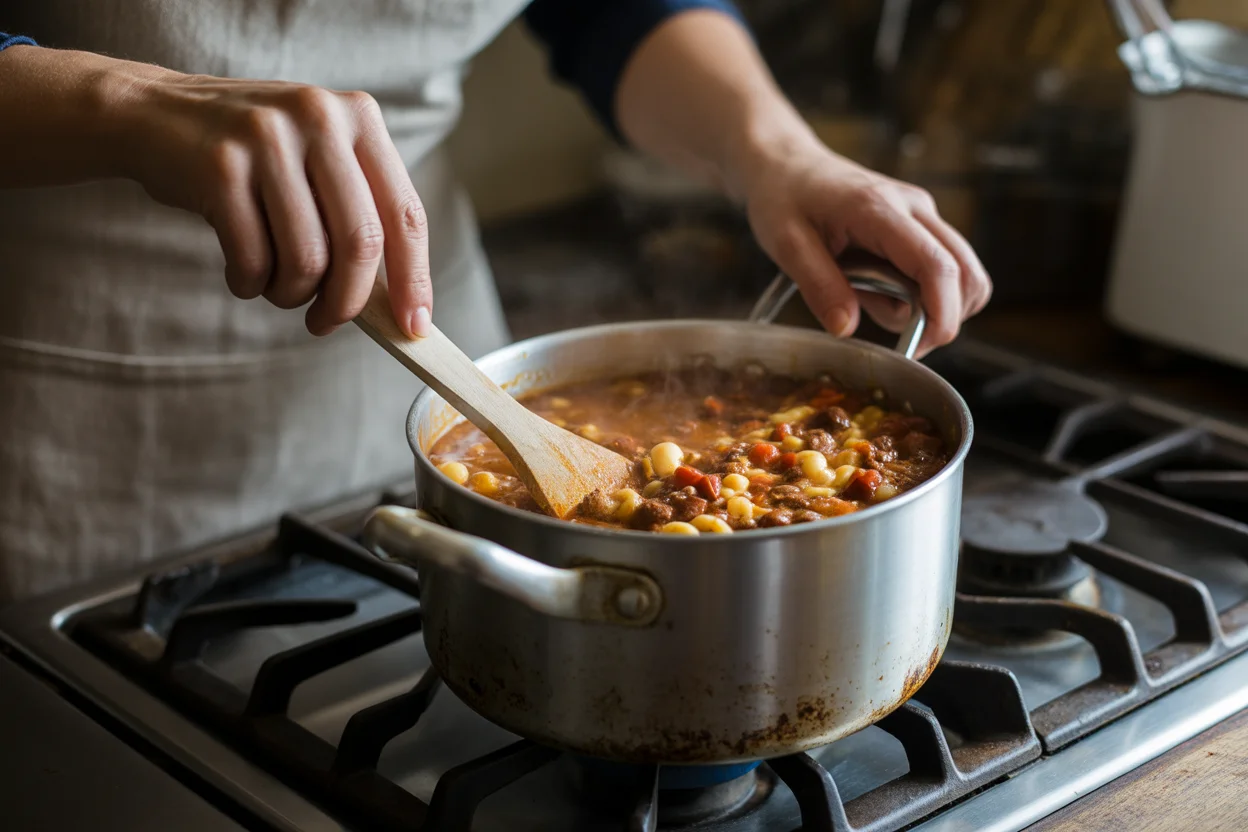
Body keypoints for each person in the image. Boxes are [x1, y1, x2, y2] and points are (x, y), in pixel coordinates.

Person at [0, 2, 990, 602]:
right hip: (70, 413)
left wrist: (779, 152)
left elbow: (611, 7)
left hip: (443, 370)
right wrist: (121, 105)